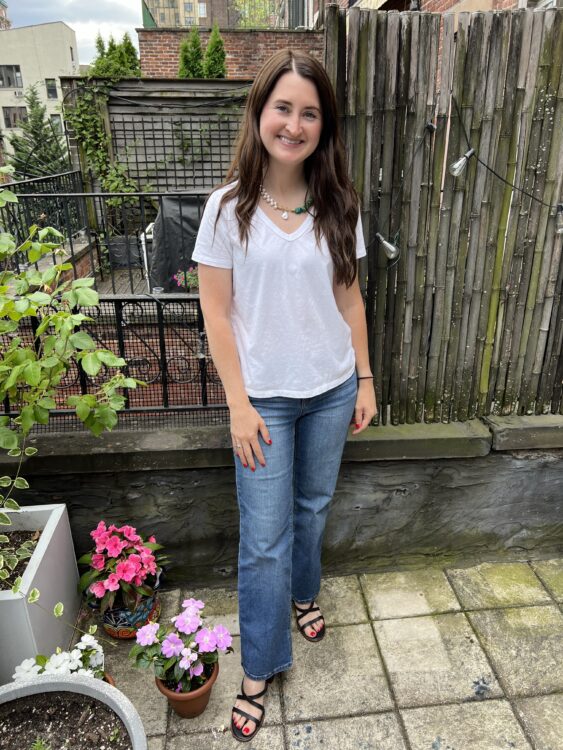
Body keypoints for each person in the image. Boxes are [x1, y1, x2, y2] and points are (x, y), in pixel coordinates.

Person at [192, 48, 377, 742]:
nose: (293, 124)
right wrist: (237, 405)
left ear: (322, 126)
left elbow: (349, 296)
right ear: (259, 111)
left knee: (312, 508)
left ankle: (305, 594)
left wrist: (363, 378)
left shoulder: (337, 204)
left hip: (330, 388)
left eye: (309, 112)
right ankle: (259, 667)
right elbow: (214, 312)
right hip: (263, 401)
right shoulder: (227, 209)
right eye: (283, 108)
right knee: (263, 541)